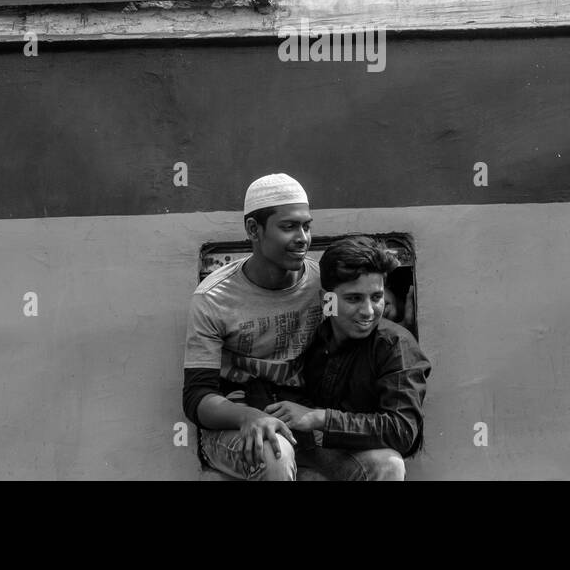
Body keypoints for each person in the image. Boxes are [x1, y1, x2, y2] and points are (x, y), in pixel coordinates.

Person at [183, 174, 324, 482]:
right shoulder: (214, 299)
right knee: (276, 451)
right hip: (234, 423)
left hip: (303, 418)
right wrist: (249, 417)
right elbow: (196, 397)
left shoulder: (323, 284)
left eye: (306, 226)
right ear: (253, 229)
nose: (302, 237)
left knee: (385, 463)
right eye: (288, 227)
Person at [265, 235, 431, 481]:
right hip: (301, 455)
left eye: (376, 298)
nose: (367, 311)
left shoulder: (396, 346)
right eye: (354, 299)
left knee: (389, 464)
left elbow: (402, 430)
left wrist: (320, 418)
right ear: (327, 300)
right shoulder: (309, 338)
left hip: (354, 460)